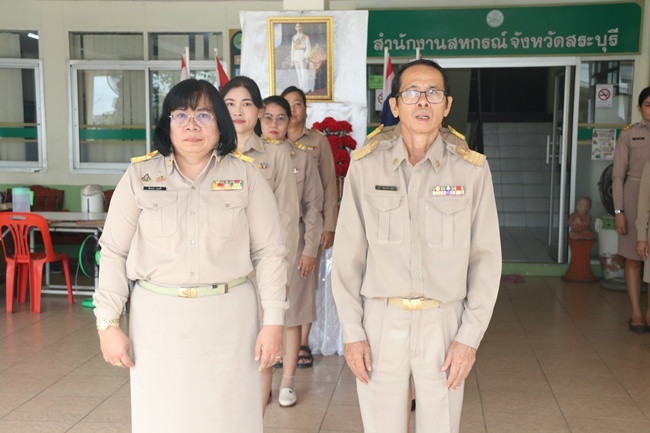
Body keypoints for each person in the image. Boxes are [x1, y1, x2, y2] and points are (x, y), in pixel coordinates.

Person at [93, 79, 287, 432]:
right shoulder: (140, 176)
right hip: (158, 322)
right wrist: (108, 323)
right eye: (180, 115)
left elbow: (270, 251)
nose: (192, 125)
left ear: (221, 124)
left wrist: (273, 321)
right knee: (164, 417)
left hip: (230, 321)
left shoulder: (245, 175)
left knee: (229, 418)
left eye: (204, 115)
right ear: (167, 124)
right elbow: (114, 251)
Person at [331, 59, 501, 433]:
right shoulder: (366, 166)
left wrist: (469, 338)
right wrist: (353, 333)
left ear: (447, 105)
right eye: (411, 92)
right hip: (380, 320)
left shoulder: (471, 170)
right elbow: (346, 259)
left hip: (445, 322)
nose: (422, 101)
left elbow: (486, 261)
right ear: (394, 105)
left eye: (433, 93)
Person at [221, 76, 300, 411]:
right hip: (219, 272)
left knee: (260, 353)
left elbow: (288, 219)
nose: (238, 112)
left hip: (259, 273)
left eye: (246, 104)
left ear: (258, 110)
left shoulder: (275, 153)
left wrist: (282, 276)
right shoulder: (210, 152)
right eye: (229, 104)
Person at [261, 95, 324, 407]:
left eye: (281, 118)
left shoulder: (302, 158)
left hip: (294, 245)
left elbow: (313, 207)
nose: (274, 124)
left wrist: (310, 248)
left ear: (290, 121)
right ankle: (259, 380)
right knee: (257, 314)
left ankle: (287, 382)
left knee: (292, 314)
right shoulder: (245, 157)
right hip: (256, 249)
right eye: (268, 117)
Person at [282, 85, 338, 367]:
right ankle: (281, 342)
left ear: (305, 109)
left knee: (305, 285)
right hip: (278, 229)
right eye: (287, 104)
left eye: (298, 104)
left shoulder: (318, 141)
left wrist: (329, 226)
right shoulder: (270, 140)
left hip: (308, 226)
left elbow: (329, 185)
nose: (293, 110)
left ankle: (303, 343)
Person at [613, 86, 650, 333]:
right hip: (634, 196)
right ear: (639, 108)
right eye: (648, 105)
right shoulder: (629, 135)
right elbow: (617, 176)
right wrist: (619, 212)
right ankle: (636, 312)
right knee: (634, 259)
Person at [291, 23, 311, 93]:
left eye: (300, 26)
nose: (298, 28)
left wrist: (305, 56)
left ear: (302, 27)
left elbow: (308, 47)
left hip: (302, 54)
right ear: (295, 28)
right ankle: (300, 87)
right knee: (298, 72)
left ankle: (305, 88)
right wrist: (292, 59)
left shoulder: (305, 37)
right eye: (297, 26)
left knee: (303, 72)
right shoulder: (294, 37)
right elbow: (292, 49)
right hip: (296, 55)